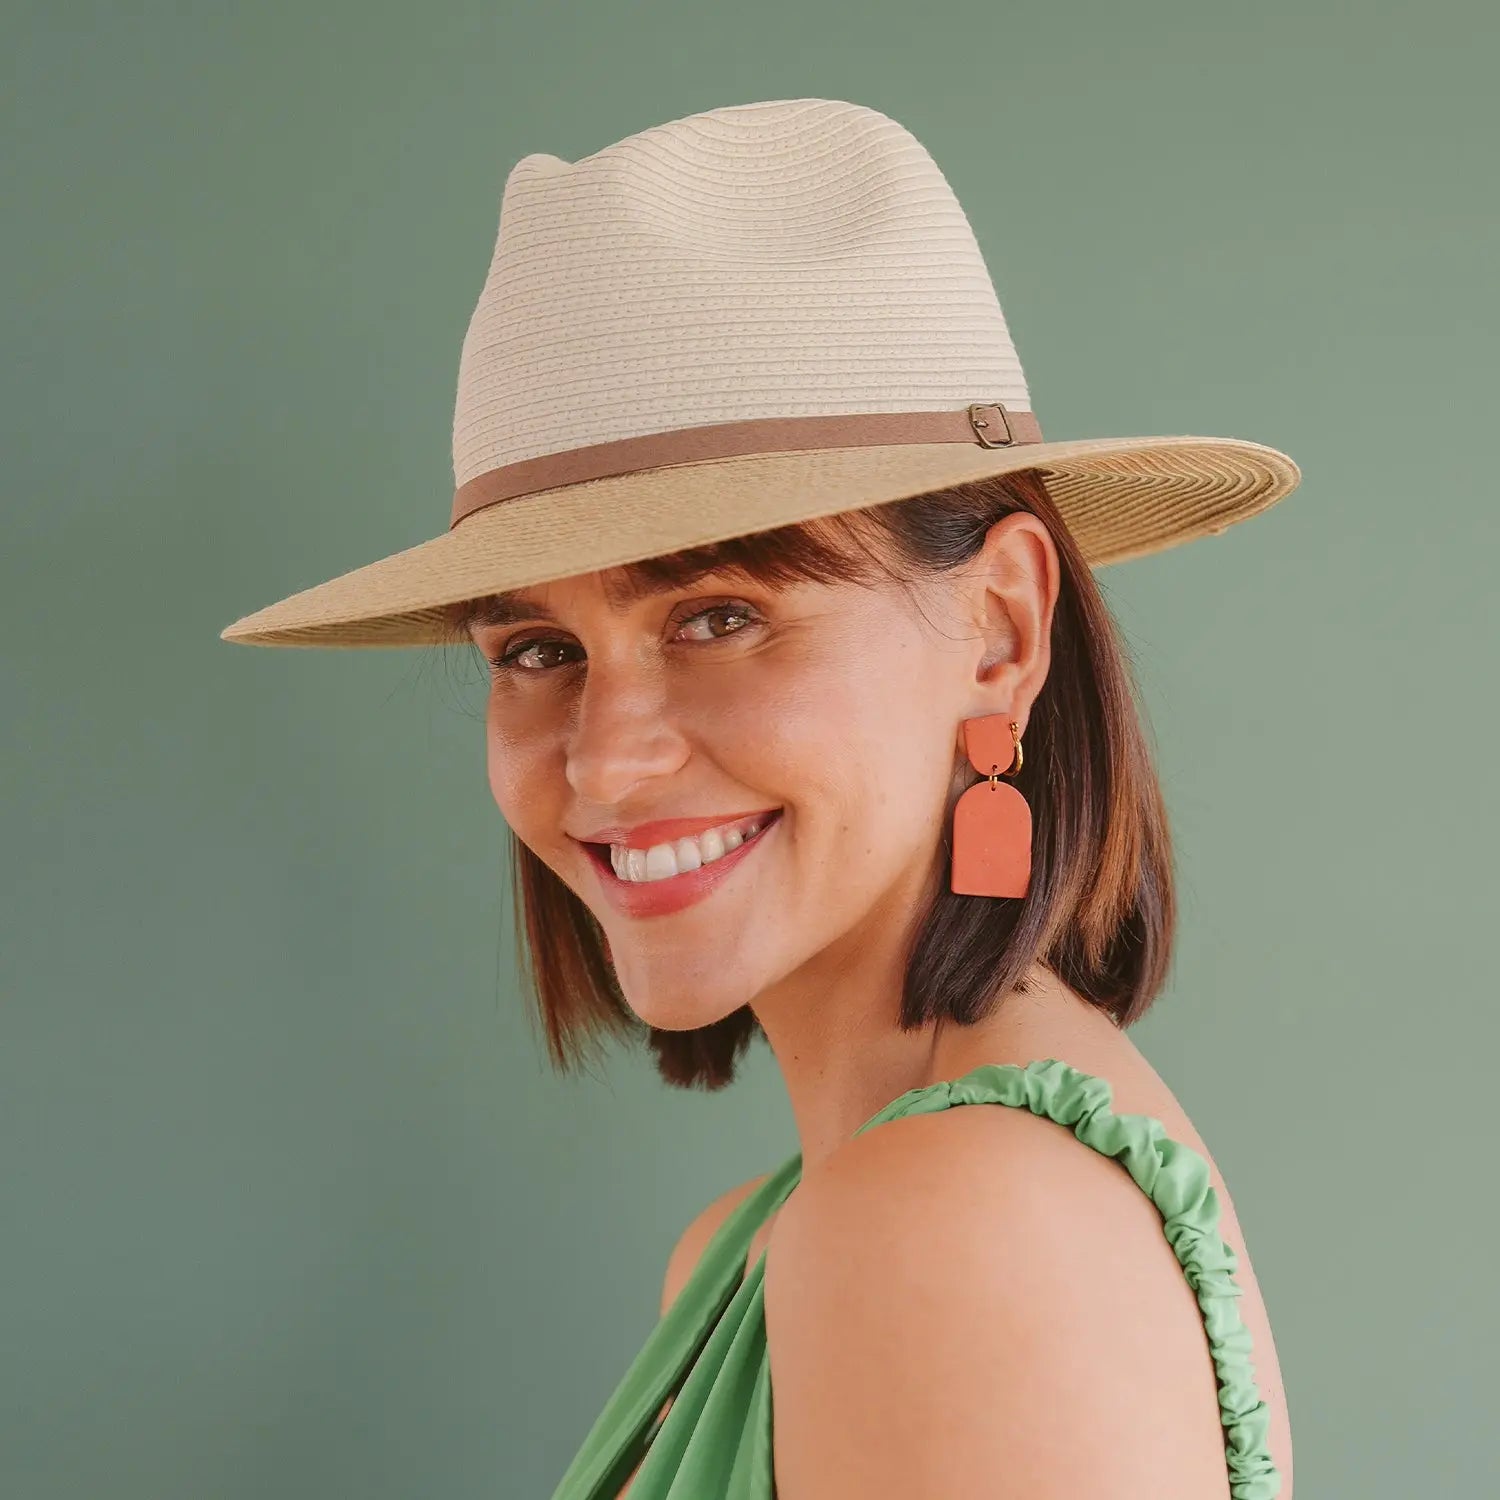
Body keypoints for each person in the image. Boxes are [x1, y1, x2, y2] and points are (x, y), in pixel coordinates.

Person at [221, 98, 1297, 1499]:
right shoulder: (764, 1247)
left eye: (721, 617)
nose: (605, 763)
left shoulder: (944, 1226)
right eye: (536, 651)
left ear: (1000, 632)